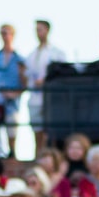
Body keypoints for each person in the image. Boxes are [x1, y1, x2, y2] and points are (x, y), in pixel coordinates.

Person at [0, 24, 27, 159]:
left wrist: (14, 94)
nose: (5, 36)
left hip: (12, 101)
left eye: (7, 33)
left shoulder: (19, 59)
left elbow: (25, 82)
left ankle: (12, 152)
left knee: (12, 122)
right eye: (3, 33)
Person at [24, 19, 65, 151]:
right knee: (37, 131)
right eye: (36, 30)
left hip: (51, 98)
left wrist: (46, 80)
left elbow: (62, 74)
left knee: (51, 132)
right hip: (35, 98)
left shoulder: (56, 53)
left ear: (47, 31)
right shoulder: (31, 55)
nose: (38, 33)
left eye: (40, 29)